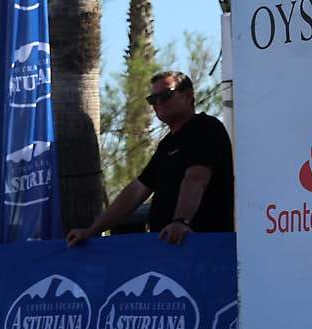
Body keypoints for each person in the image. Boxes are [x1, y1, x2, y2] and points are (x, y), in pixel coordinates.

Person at [67, 70, 234, 247]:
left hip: (203, 246)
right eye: (153, 100)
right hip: (169, 246)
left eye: (165, 95)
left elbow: (196, 178)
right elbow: (137, 191)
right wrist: (91, 231)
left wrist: (180, 222)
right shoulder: (167, 144)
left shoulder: (206, 128)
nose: (158, 103)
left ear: (188, 96)